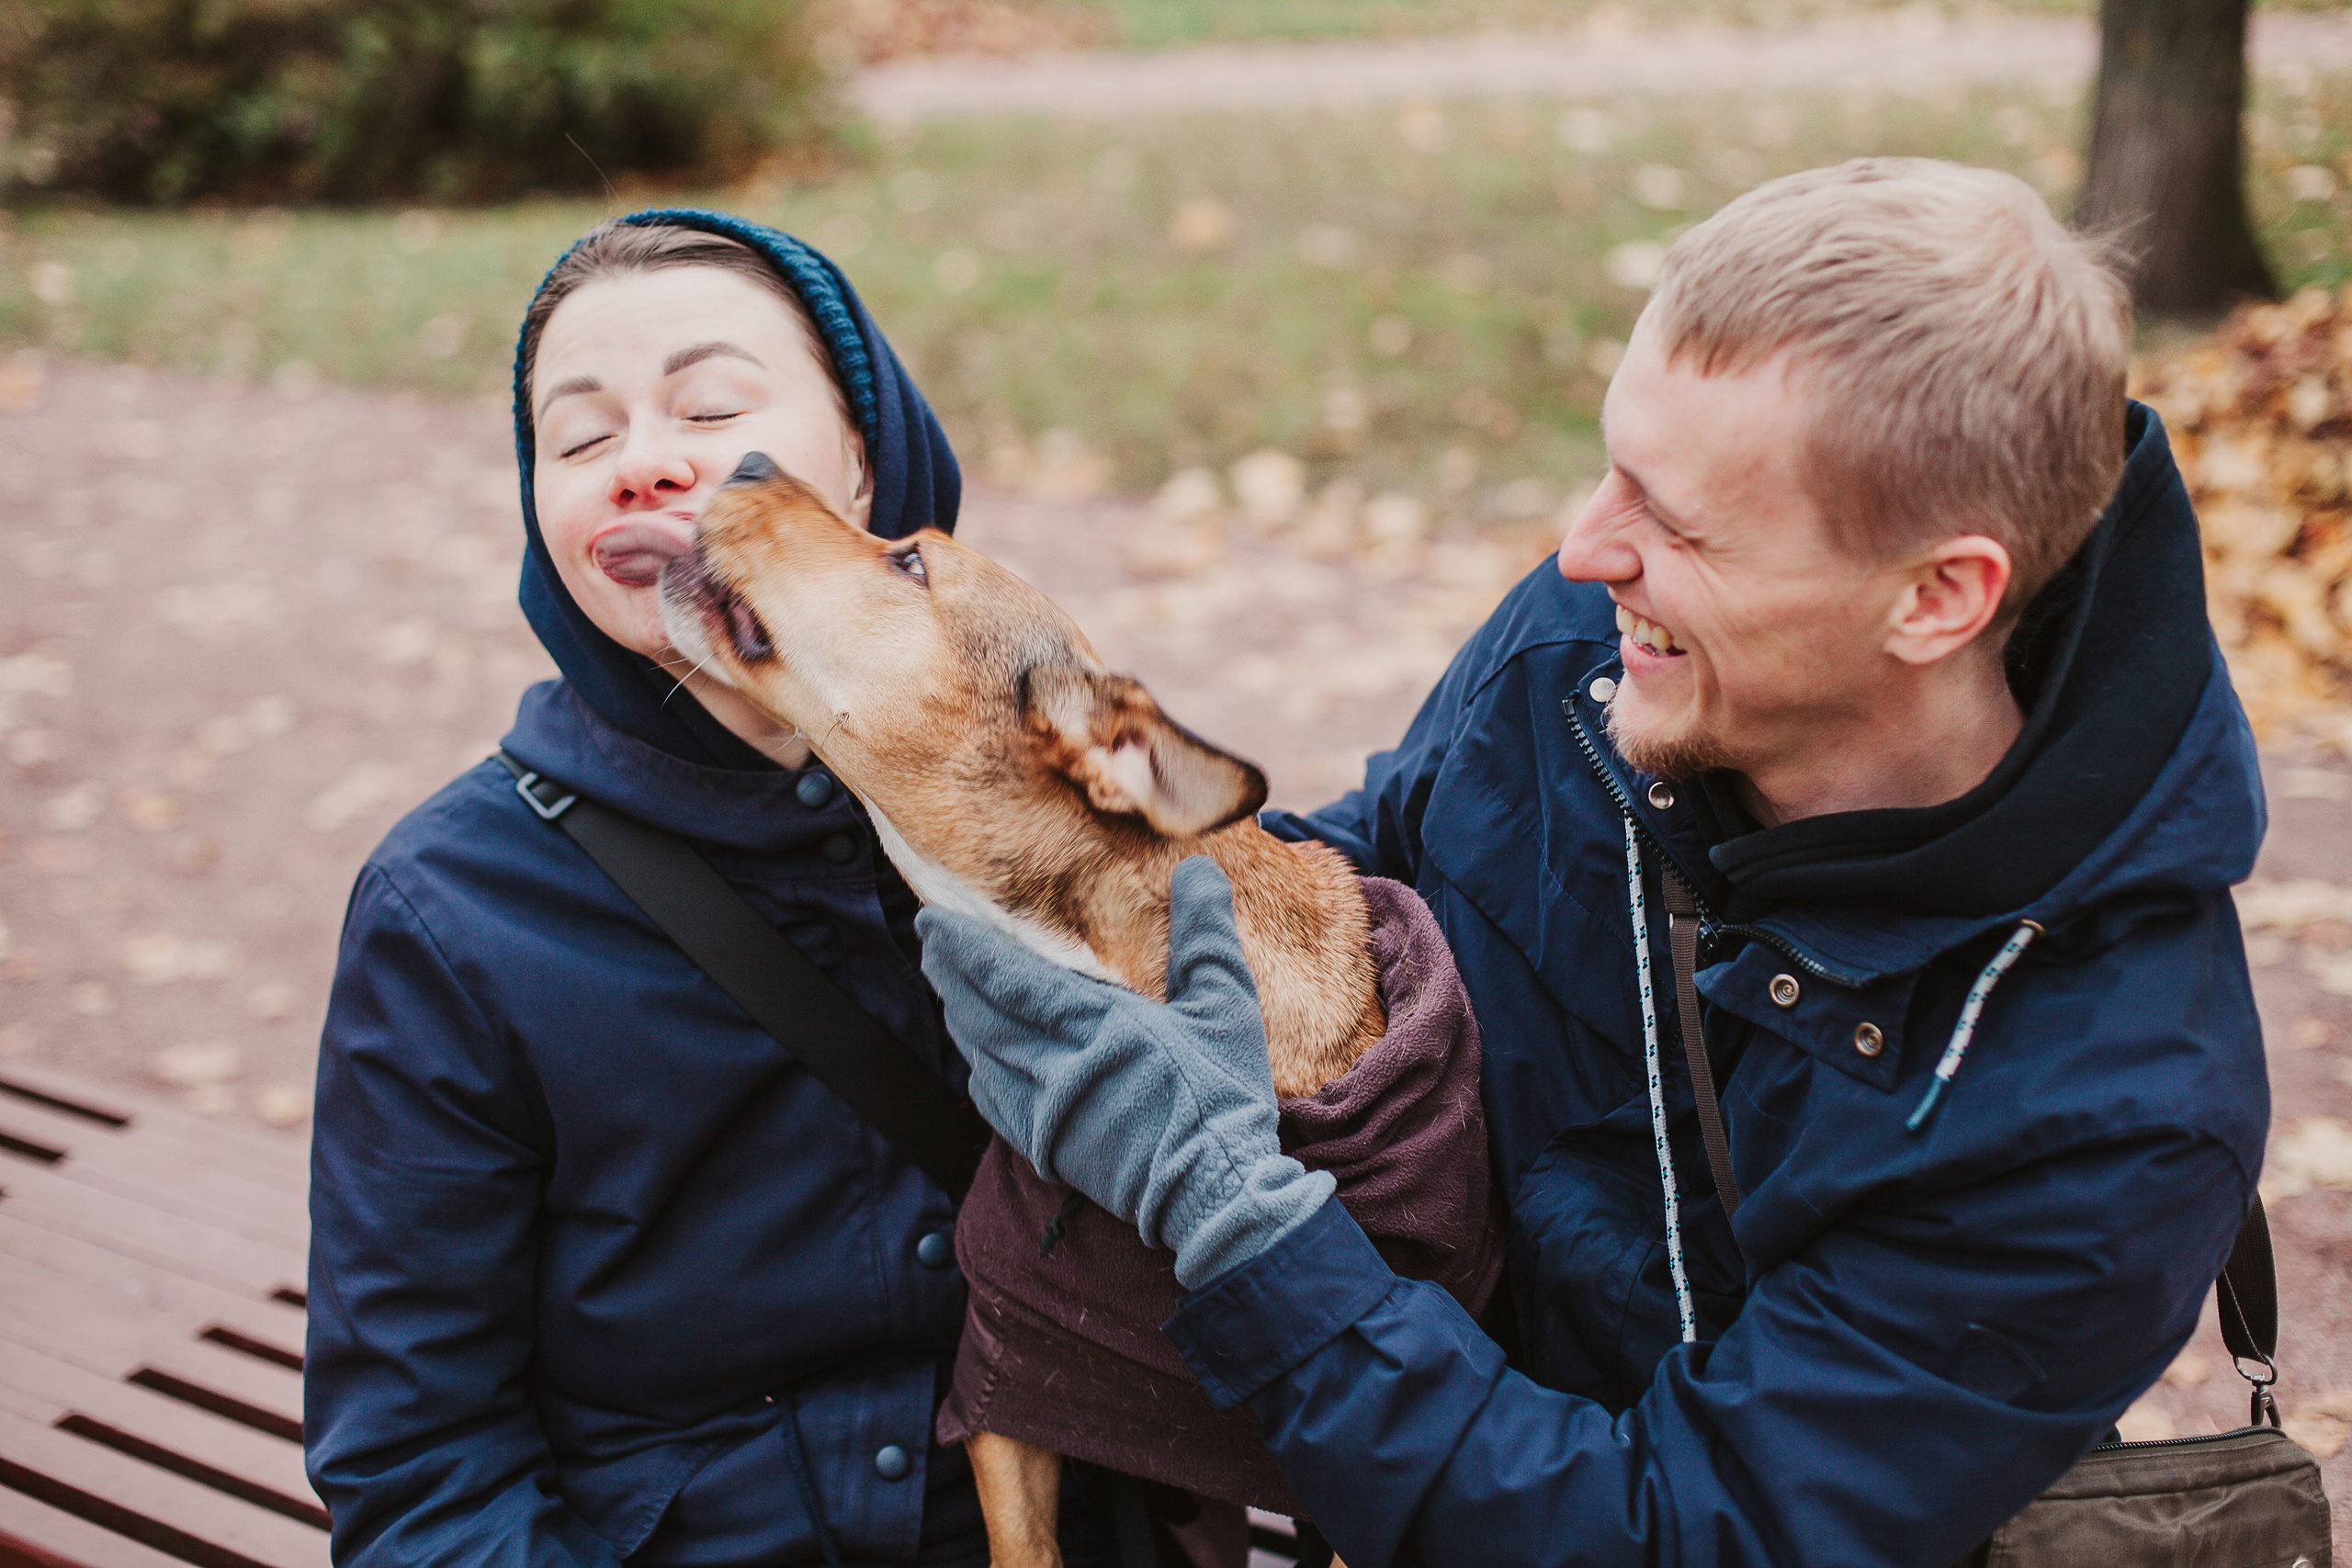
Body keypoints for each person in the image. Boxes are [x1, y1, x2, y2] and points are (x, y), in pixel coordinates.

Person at [917, 159, 2270, 1566]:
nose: (1582, 549)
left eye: (1677, 524)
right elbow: (1383, 866)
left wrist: (1238, 1217)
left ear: (1937, 596)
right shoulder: (1606, 654)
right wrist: (1135, 944)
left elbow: (1671, 1534)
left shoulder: (2105, 1113)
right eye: (1611, 464)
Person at [304, 211, 1127, 1567]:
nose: (644, 461)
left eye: (710, 406)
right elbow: (418, 1467)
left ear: (863, 455)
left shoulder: (1044, 790)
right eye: (580, 439)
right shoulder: (452, 912)